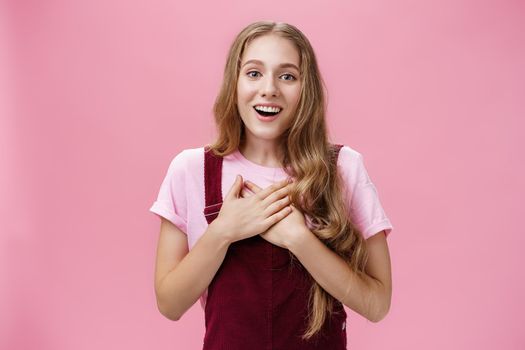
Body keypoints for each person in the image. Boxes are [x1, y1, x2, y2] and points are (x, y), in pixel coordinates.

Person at [149, 20, 394, 349]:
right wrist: (224, 231)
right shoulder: (190, 170)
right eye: (253, 73)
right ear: (233, 83)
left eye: (287, 76)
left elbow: (377, 304)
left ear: (305, 89)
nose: (269, 89)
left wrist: (300, 240)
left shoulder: (343, 168)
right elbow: (170, 304)